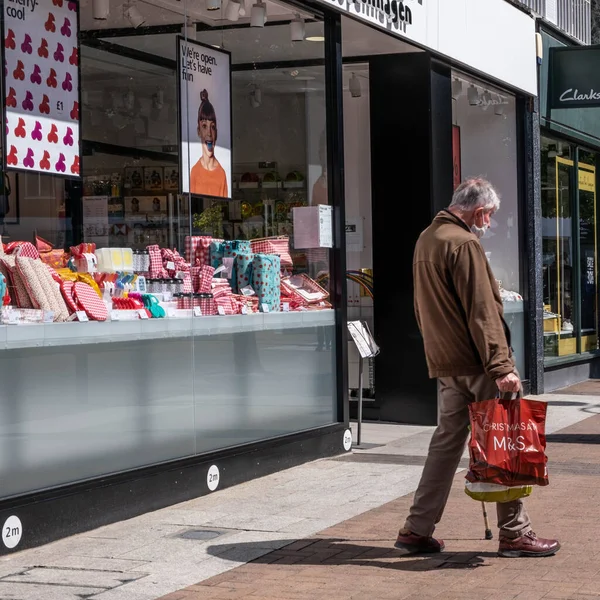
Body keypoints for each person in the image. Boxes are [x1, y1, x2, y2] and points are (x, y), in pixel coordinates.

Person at [395, 177, 560, 559]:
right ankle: (515, 533)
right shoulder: (464, 243)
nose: (490, 223)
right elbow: (482, 311)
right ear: (479, 211)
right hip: (479, 364)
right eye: (490, 216)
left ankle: (416, 528)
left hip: (448, 362)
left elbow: (423, 308)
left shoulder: (427, 239)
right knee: (503, 442)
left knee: (446, 444)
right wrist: (501, 365)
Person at [190, 89, 228, 198]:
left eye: (212, 127)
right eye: (204, 126)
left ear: (216, 132)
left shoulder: (221, 174)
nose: (209, 134)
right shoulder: (195, 172)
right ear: (198, 131)